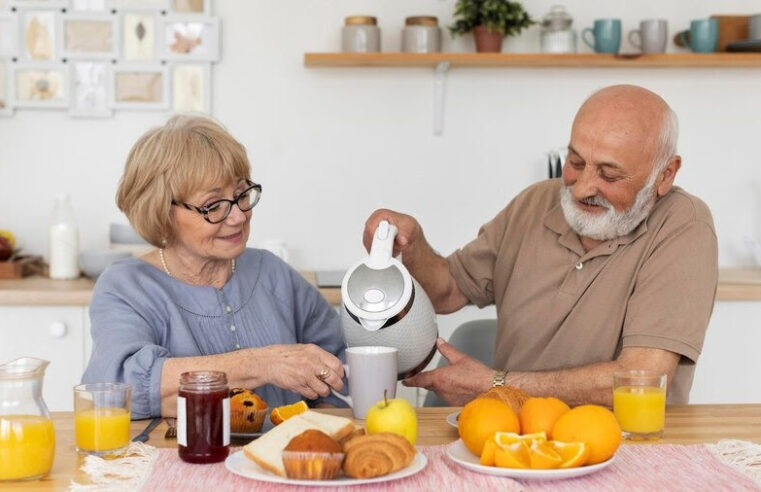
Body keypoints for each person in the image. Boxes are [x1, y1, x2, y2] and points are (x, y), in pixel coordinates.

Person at [363, 85, 717, 407]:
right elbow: (448, 290)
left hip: (628, 450)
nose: (580, 189)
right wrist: (412, 245)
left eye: (609, 175)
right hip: (513, 438)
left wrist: (495, 385)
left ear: (665, 175)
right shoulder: (536, 202)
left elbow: (641, 380)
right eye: (576, 162)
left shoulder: (684, 225)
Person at [82, 115, 346, 419]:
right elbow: (119, 387)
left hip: (282, 461)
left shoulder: (272, 273)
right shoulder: (128, 286)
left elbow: (342, 365)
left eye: (241, 195)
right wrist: (262, 364)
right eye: (213, 205)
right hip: (184, 460)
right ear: (162, 211)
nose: (238, 217)